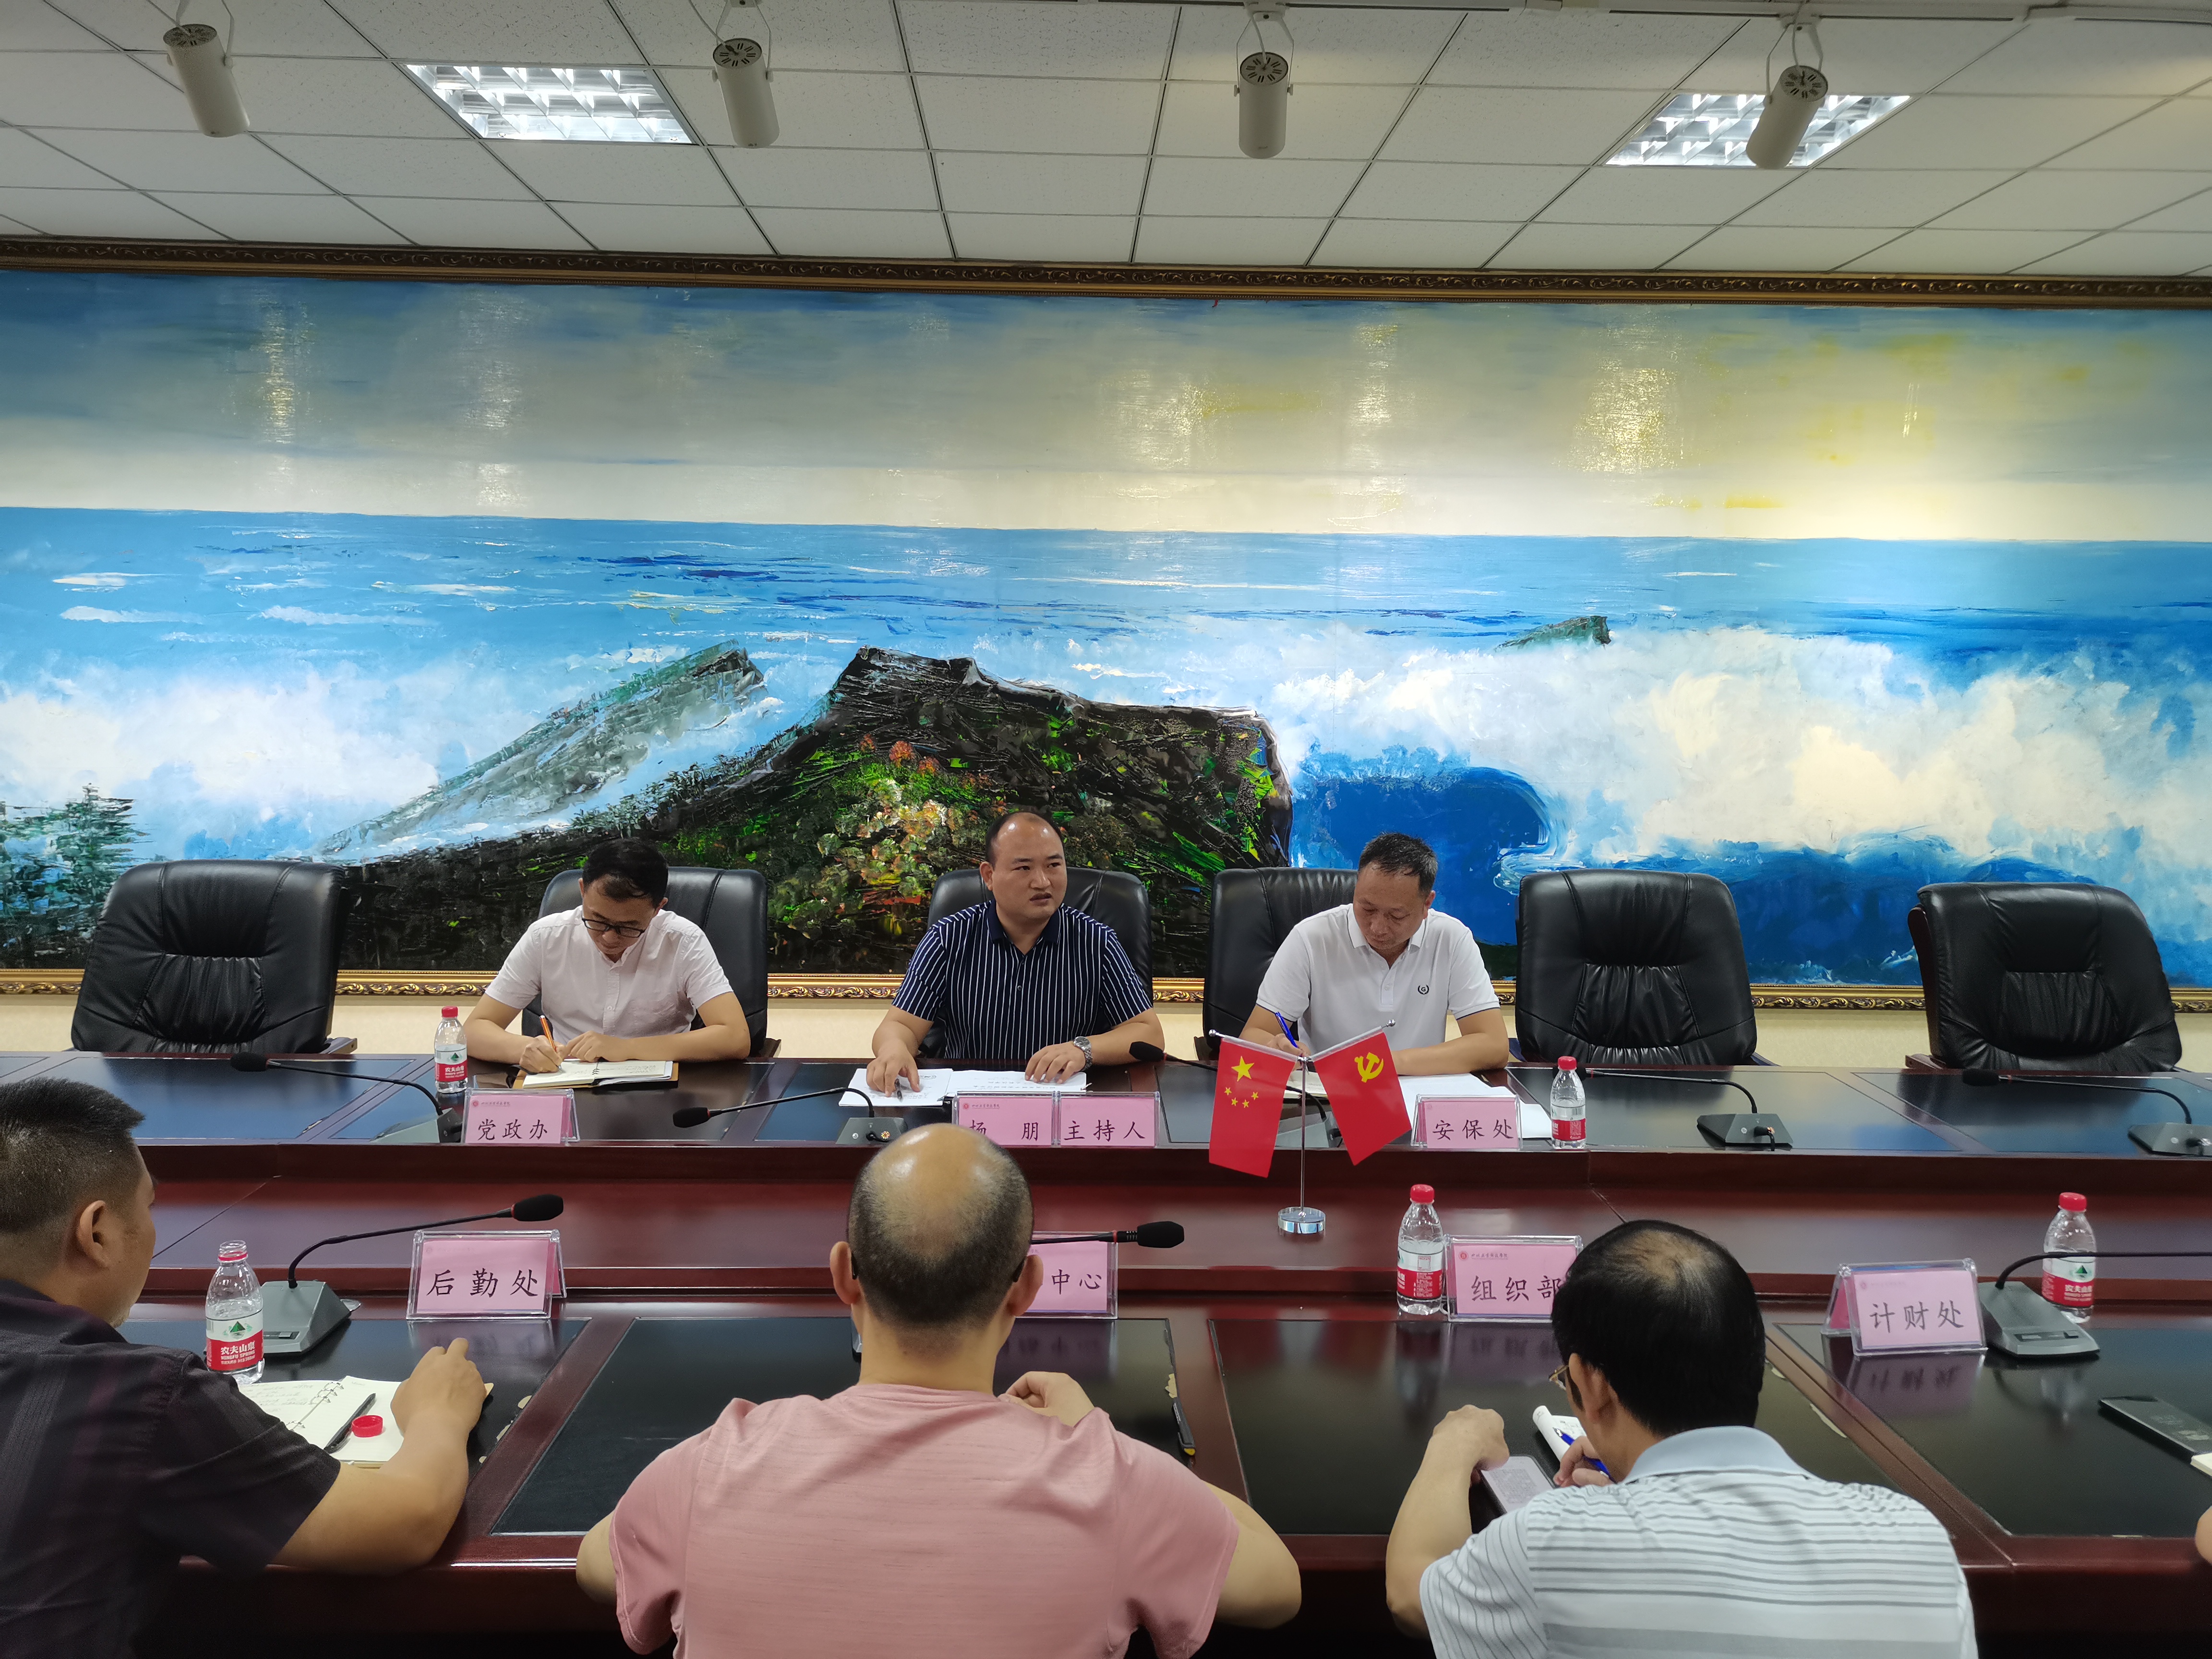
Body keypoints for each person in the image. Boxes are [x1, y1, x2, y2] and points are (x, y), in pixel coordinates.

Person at [577, 1122, 1298, 1656]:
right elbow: (1276, 1588)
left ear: (843, 1275)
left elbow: (599, 1563)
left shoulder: (714, 1465)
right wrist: (1101, 1441)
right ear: (1028, 1288)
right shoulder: (1111, 1482)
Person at [0, 1078, 491, 1659]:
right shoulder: (132, 1398)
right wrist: (438, 1415)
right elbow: (404, 1524)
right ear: (97, 1233)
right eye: (149, 1205)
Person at [1387, 1220, 1975, 1658]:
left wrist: (1455, 1442)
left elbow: (1413, 1595)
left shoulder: (1552, 1546)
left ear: (1593, 1385)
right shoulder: (1917, 1541)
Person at [867, 811, 1164, 1087]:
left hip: (1060, 1098)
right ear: (989, 876)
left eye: (1054, 865)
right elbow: (901, 1025)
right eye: (1024, 868)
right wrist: (894, 1050)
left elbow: (1148, 1033)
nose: (1042, 882)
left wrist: (1082, 1049)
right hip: (970, 1103)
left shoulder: (1097, 942)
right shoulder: (948, 938)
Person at [465, 836, 751, 1072]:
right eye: (598, 920)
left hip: (660, 1087)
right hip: (566, 1081)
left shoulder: (682, 941)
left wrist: (627, 1048)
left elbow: (735, 1037)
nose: (609, 937)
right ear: (583, 891)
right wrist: (524, 1049)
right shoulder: (546, 937)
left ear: (658, 908)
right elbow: (474, 1030)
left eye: (629, 927)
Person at [1239, 831, 1509, 1076]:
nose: (1377, 928)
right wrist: (1274, 1046)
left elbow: (1493, 1045)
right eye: (1367, 908)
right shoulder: (1311, 938)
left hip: (1418, 1096)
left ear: (1427, 903)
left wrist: (1384, 1063)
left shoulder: (1450, 938)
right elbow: (1253, 1034)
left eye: (1396, 915)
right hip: (1330, 1095)